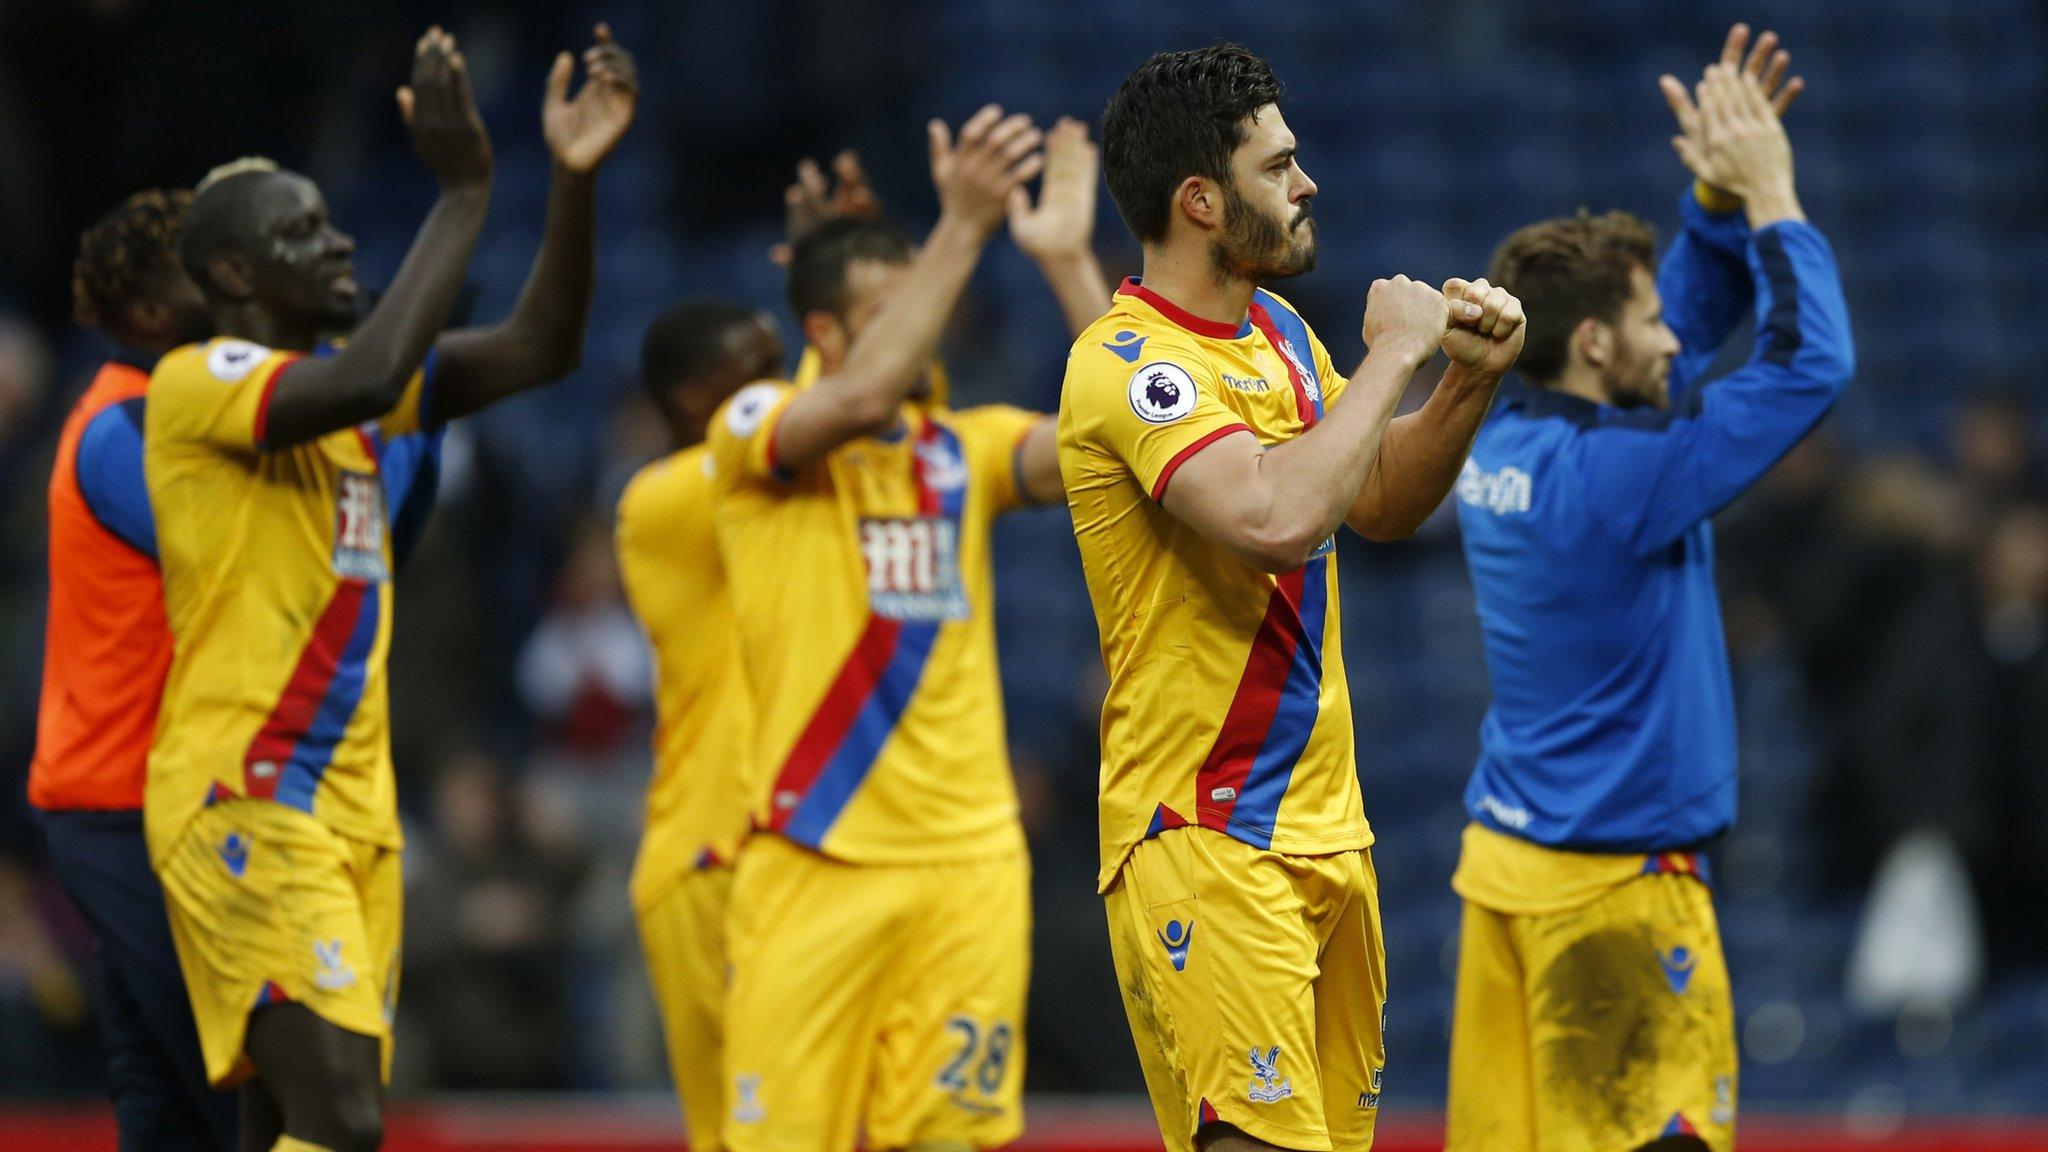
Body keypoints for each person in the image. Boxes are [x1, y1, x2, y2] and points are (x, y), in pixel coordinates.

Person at [141, 26, 635, 1152]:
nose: (334, 242)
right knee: (349, 1119)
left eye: (328, 221)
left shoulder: (359, 407)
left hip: (351, 810)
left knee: (289, 1124)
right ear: (230, 274)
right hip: (249, 791)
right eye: (299, 231)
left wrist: (570, 179)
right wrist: (463, 190)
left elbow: (541, 348)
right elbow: (368, 371)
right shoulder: (202, 382)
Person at [1060, 44, 1524, 1152]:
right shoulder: (1128, 363)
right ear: (1200, 200)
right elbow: (1272, 521)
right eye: (1278, 166)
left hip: (1326, 832)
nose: (1305, 184)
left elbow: (1372, 501)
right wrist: (1395, 356)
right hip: (1204, 828)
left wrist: (1463, 380)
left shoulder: (1276, 335)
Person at [1445, 26, 1853, 1152]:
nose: (1673, 335)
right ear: (1588, 340)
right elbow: (1807, 365)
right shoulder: (1628, 475)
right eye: (1644, 321)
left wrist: (1709, 200)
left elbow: (1663, 329)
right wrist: (1770, 192)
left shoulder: (1503, 439)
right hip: (1618, 900)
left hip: (1505, 878)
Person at [705, 109, 1107, 1152]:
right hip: (815, 858)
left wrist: (1064, 260)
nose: (927, 327)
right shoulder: (753, 431)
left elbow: (1131, 437)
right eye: (892, 310)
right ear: (826, 334)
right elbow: (865, 389)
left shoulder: (962, 452)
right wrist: (961, 226)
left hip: (968, 867)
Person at [29, 189, 232, 1152]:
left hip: (132, 797)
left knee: (163, 1109)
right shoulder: (127, 428)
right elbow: (239, 565)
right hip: (124, 803)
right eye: (204, 273)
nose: (229, 285)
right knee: (239, 1090)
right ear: (148, 313)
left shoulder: (153, 416)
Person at [617, 297, 783, 1149]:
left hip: (797, 853)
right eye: (761, 374)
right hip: (712, 851)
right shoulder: (666, 500)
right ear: (692, 401)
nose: (787, 391)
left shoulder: (800, 498)